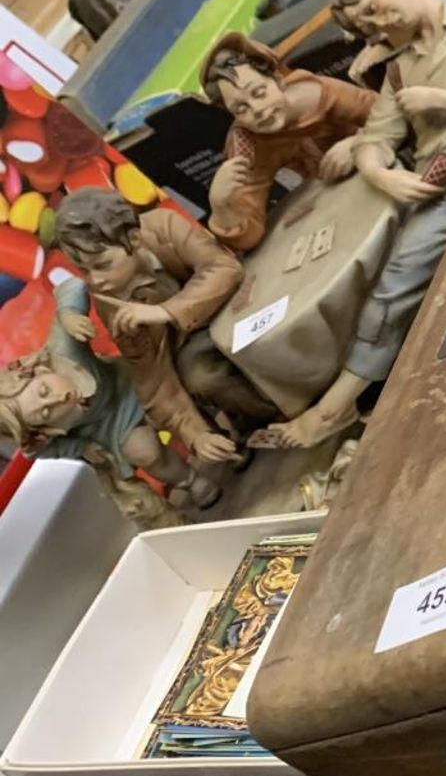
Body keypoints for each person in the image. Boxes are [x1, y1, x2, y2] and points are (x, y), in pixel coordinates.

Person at [251, 0, 446, 450]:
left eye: (375, 10)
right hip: (428, 178)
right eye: (368, 26)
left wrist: (440, 100)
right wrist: (379, 172)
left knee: (398, 276)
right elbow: (378, 135)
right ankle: (355, 385)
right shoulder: (398, 67)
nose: (379, 26)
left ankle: (336, 407)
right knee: (364, 266)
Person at [0, 281, 239, 521]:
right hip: (114, 426)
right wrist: (82, 447)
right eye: (45, 413)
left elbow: (71, 285)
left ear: (38, 371)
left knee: (180, 394)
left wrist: (68, 314)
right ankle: (191, 481)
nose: (56, 399)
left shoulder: (63, 350)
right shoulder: (40, 442)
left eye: (43, 391)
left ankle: (222, 434)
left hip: (131, 382)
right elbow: (48, 448)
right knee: (144, 452)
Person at [53, 187, 275, 435]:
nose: (95, 280)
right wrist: (197, 435)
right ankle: (270, 419)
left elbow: (224, 267)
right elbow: (152, 377)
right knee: (203, 379)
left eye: (102, 265)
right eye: (84, 271)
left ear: (134, 239)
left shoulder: (164, 226)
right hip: (194, 344)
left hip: (237, 303)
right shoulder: (111, 303)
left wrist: (167, 311)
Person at [201, 34, 375, 254]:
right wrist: (220, 205)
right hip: (331, 209)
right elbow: (248, 235)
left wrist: (359, 142)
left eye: (259, 92)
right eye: (240, 109)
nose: (258, 109)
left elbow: (389, 113)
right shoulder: (247, 147)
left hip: (375, 170)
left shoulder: (318, 94)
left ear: (278, 79)